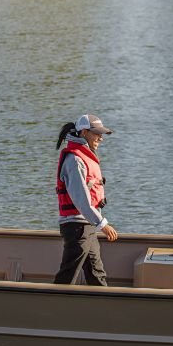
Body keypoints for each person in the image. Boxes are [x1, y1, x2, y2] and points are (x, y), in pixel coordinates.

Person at [53, 113, 119, 285]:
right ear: (83, 133)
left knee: (97, 274)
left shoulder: (83, 156)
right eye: (97, 133)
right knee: (68, 275)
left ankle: (103, 302)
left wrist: (96, 223)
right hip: (77, 227)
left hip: (85, 225)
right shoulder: (74, 160)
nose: (100, 138)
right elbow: (81, 199)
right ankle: (52, 301)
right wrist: (103, 224)